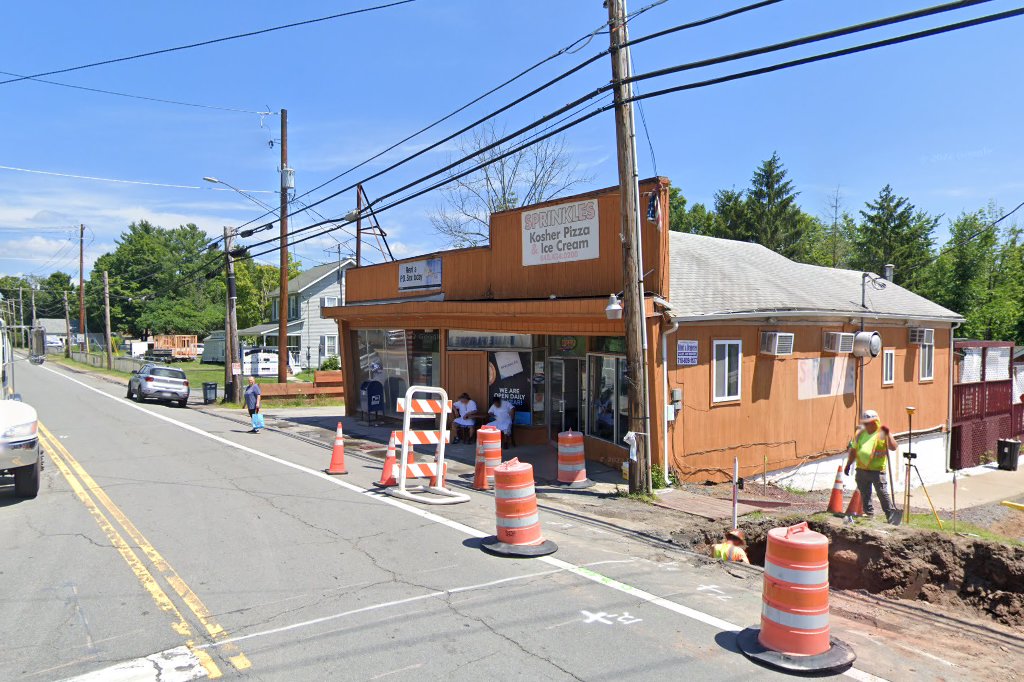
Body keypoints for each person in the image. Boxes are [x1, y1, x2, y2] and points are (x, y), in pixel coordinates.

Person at [844, 409, 898, 521]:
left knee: (882, 493)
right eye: (865, 422)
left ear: (875, 422)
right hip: (862, 469)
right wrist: (848, 464)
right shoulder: (860, 434)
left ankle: (891, 516)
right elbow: (854, 450)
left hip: (877, 471)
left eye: (869, 422)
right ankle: (869, 515)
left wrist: (889, 435)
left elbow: (893, 447)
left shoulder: (882, 433)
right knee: (865, 494)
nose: (866, 425)